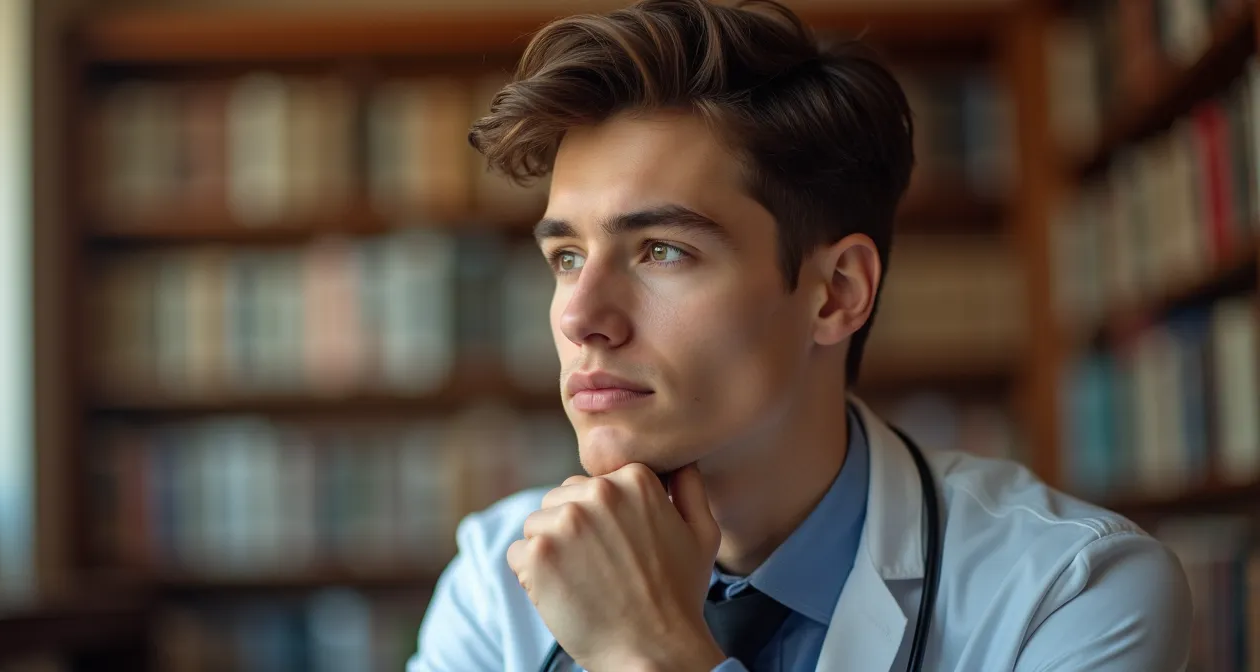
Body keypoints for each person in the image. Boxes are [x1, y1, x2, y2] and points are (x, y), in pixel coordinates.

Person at [406, 0, 1193, 670]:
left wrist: (647, 652)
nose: (580, 316)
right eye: (567, 256)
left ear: (836, 293)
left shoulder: (1074, 590)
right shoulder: (497, 575)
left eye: (662, 251)